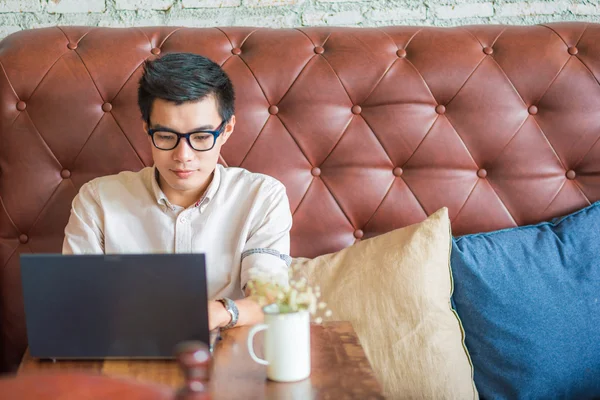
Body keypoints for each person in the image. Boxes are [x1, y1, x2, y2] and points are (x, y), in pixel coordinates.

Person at [62, 52, 293, 331]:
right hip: (124, 355)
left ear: (227, 129)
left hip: (229, 358)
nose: (183, 156)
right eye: (166, 137)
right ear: (147, 128)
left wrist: (219, 313)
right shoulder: (97, 200)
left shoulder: (261, 197)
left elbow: (270, 297)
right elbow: (75, 302)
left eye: (201, 137)